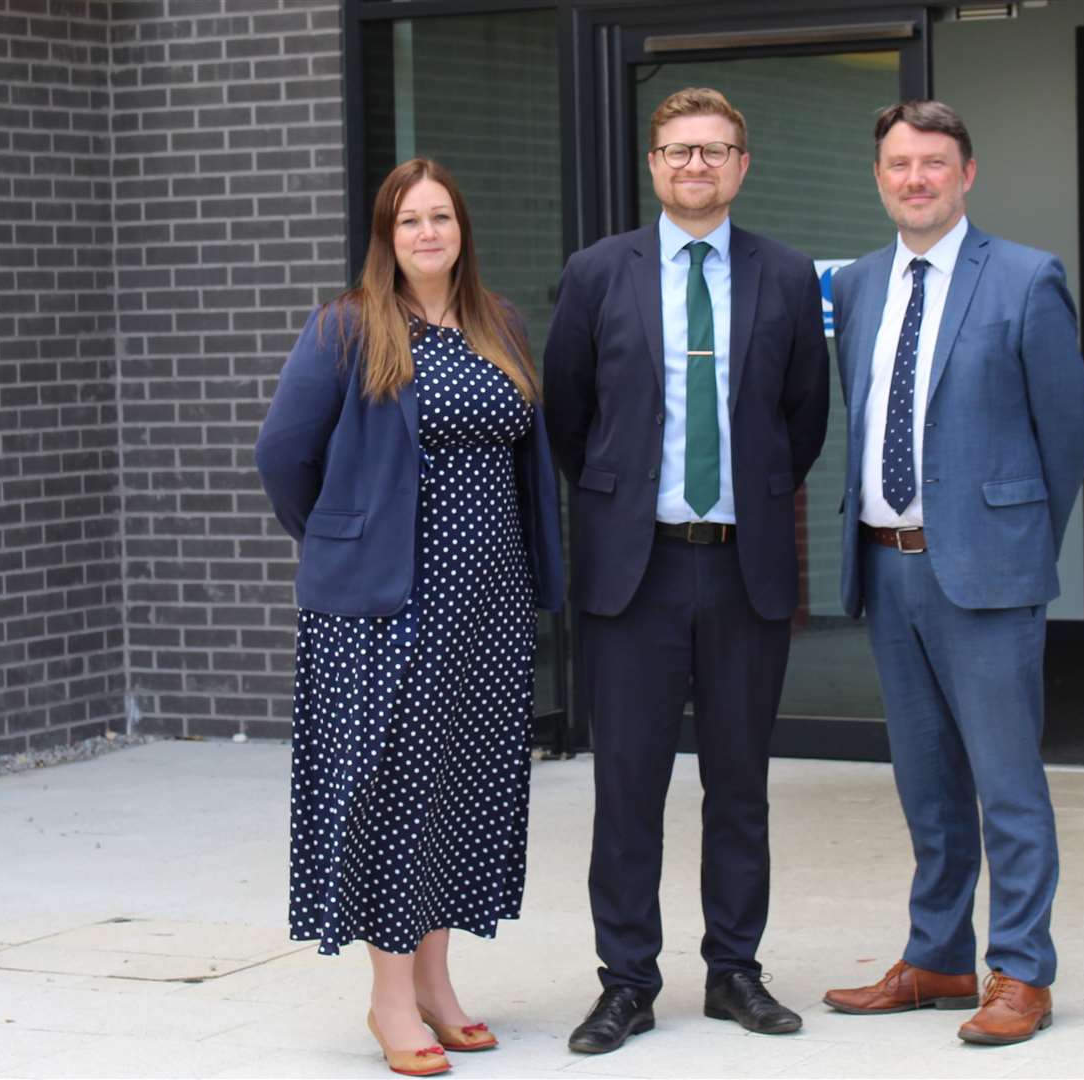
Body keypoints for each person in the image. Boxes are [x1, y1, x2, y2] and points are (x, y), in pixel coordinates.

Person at [253, 158, 563, 1077]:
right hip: (387, 609)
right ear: (386, 239)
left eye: (440, 218)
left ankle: (436, 981)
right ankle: (389, 997)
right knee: (390, 792)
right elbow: (281, 453)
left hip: (490, 603)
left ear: (461, 228)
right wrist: (342, 538)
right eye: (407, 222)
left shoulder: (495, 323)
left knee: (464, 789)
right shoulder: (348, 327)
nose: (427, 234)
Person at [543, 86, 830, 1055]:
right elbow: (569, 418)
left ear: (742, 164)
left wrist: (739, 493)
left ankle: (733, 973)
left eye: (713, 150)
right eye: (675, 151)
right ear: (652, 165)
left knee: (739, 786)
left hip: (741, 567)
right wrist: (626, 502)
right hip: (635, 574)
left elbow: (803, 418)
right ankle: (625, 982)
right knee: (627, 786)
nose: (694, 166)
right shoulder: (594, 273)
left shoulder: (786, 276)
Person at [821, 100, 1084, 1046]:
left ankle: (1020, 970)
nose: (915, 180)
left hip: (984, 575)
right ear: (879, 177)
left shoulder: (1024, 279)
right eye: (898, 164)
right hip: (887, 568)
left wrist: (1013, 546)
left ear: (966, 173)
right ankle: (937, 957)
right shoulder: (857, 285)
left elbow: (1067, 436)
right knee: (926, 784)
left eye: (933, 163)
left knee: (1006, 783)